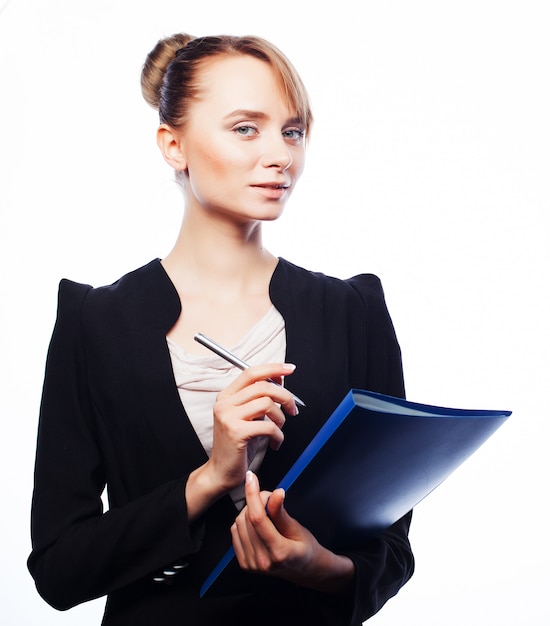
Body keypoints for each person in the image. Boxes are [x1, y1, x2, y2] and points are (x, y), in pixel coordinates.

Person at [28, 33, 414, 625]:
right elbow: (58, 568)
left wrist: (318, 564)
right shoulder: (95, 324)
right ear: (173, 144)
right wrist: (210, 479)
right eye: (245, 128)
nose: (281, 155)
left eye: (292, 130)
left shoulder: (353, 311)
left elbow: (392, 548)